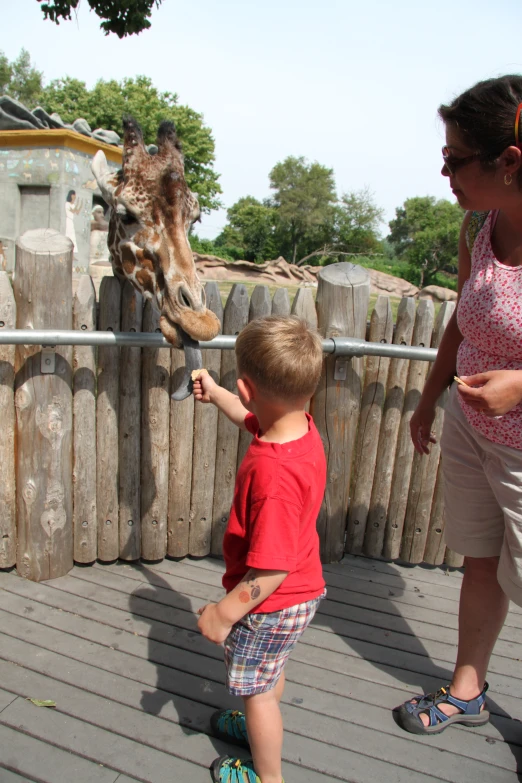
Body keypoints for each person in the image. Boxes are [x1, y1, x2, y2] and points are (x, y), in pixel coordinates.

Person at [397, 75, 522, 735]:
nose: (444, 171)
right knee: (480, 558)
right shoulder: (478, 224)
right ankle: (467, 688)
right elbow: (462, 318)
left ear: (510, 162)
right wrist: (428, 399)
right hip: (471, 430)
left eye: (455, 160)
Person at [193, 315, 326, 783]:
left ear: (248, 387)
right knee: (269, 671)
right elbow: (247, 414)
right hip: (300, 596)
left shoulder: (273, 477)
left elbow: (270, 570)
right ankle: (258, 716)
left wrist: (224, 614)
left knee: (259, 694)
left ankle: (268, 776)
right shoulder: (297, 429)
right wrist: (215, 392)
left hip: (273, 601)